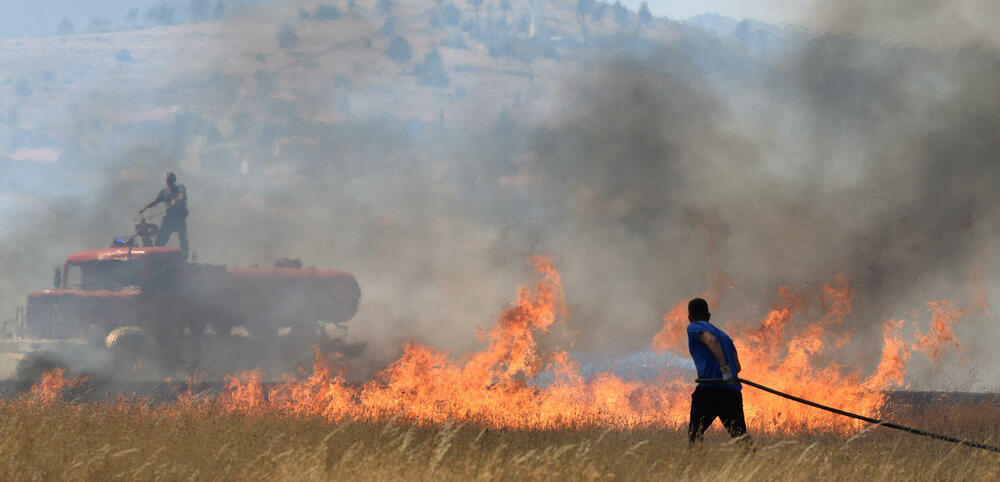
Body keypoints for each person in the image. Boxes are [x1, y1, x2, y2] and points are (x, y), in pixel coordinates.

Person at [686, 297, 751, 447]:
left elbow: (711, 341)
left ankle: (693, 468)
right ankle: (755, 465)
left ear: (690, 318)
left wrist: (724, 370)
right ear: (708, 316)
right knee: (741, 437)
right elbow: (738, 367)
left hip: (709, 391)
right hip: (731, 392)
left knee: (694, 436)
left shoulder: (694, 327)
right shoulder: (725, 337)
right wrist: (729, 373)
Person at [140, 171, 189, 259]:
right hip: (168, 219)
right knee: (159, 241)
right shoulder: (164, 191)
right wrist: (145, 207)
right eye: (168, 180)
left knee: (183, 240)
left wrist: (175, 201)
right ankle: (159, 258)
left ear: (174, 180)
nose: (169, 181)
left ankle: (185, 259)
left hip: (179, 219)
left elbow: (181, 197)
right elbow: (155, 201)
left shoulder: (180, 187)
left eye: (171, 179)